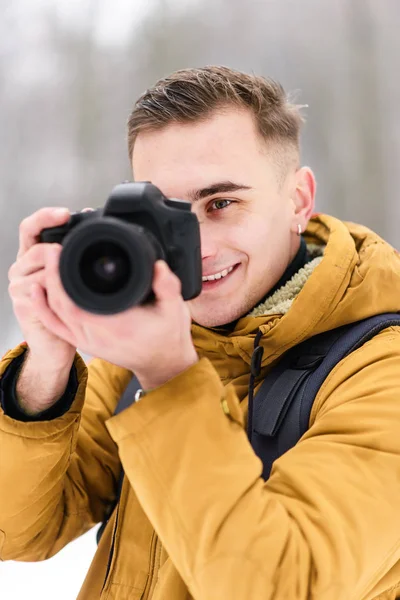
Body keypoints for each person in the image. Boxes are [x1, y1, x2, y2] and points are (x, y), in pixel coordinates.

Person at [1, 65, 400, 600]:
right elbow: (17, 532)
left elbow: (285, 586)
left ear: (298, 201)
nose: (197, 247)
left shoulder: (380, 370)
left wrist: (169, 378)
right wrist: (43, 372)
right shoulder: (141, 349)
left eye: (221, 204)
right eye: (167, 215)